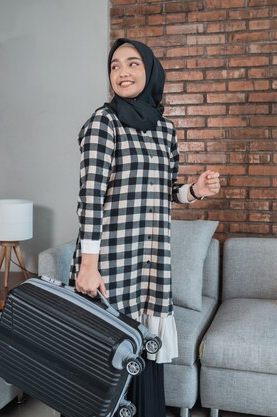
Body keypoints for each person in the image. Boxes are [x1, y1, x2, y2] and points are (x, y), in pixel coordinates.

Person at [69, 38, 221, 416]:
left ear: (149, 70)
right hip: (110, 263)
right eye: (115, 65)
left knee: (142, 351)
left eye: (133, 64)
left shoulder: (165, 130)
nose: (122, 72)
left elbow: (165, 191)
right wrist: (89, 264)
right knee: (106, 358)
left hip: (150, 262)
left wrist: (194, 191)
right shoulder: (103, 123)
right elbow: (90, 197)